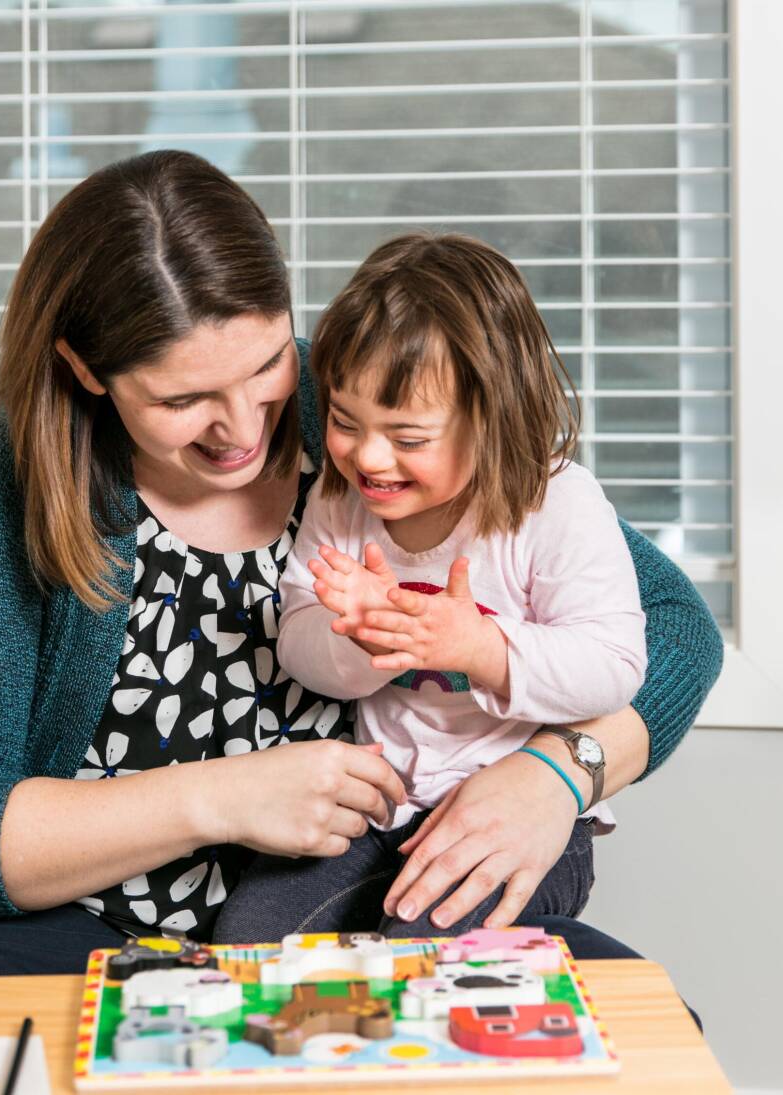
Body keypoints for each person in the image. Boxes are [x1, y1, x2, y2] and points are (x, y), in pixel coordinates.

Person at [0, 151, 722, 982]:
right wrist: (224, 797)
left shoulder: (359, 414)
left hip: (359, 915)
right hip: (72, 930)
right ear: (84, 367)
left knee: (640, 1016)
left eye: (270, 364)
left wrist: (561, 773)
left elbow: (671, 629)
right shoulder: (5, 467)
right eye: (185, 398)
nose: (244, 428)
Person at [213, 233, 649, 942]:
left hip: (521, 819)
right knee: (248, 941)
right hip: (382, 807)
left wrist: (480, 647)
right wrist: (353, 639)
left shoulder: (556, 505)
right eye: (347, 422)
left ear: (495, 417)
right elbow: (296, 641)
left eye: (408, 438)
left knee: (420, 947)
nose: (368, 457)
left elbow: (614, 665)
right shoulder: (340, 498)